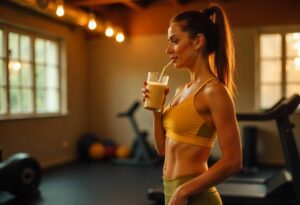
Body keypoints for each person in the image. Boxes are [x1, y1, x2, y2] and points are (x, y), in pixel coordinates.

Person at [142, 4, 242, 205]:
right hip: (172, 192)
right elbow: (162, 150)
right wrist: (157, 111)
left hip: (195, 197)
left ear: (198, 41)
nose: (168, 49)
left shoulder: (214, 92)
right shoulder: (180, 90)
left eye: (175, 41)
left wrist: (183, 191)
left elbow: (233, 161)